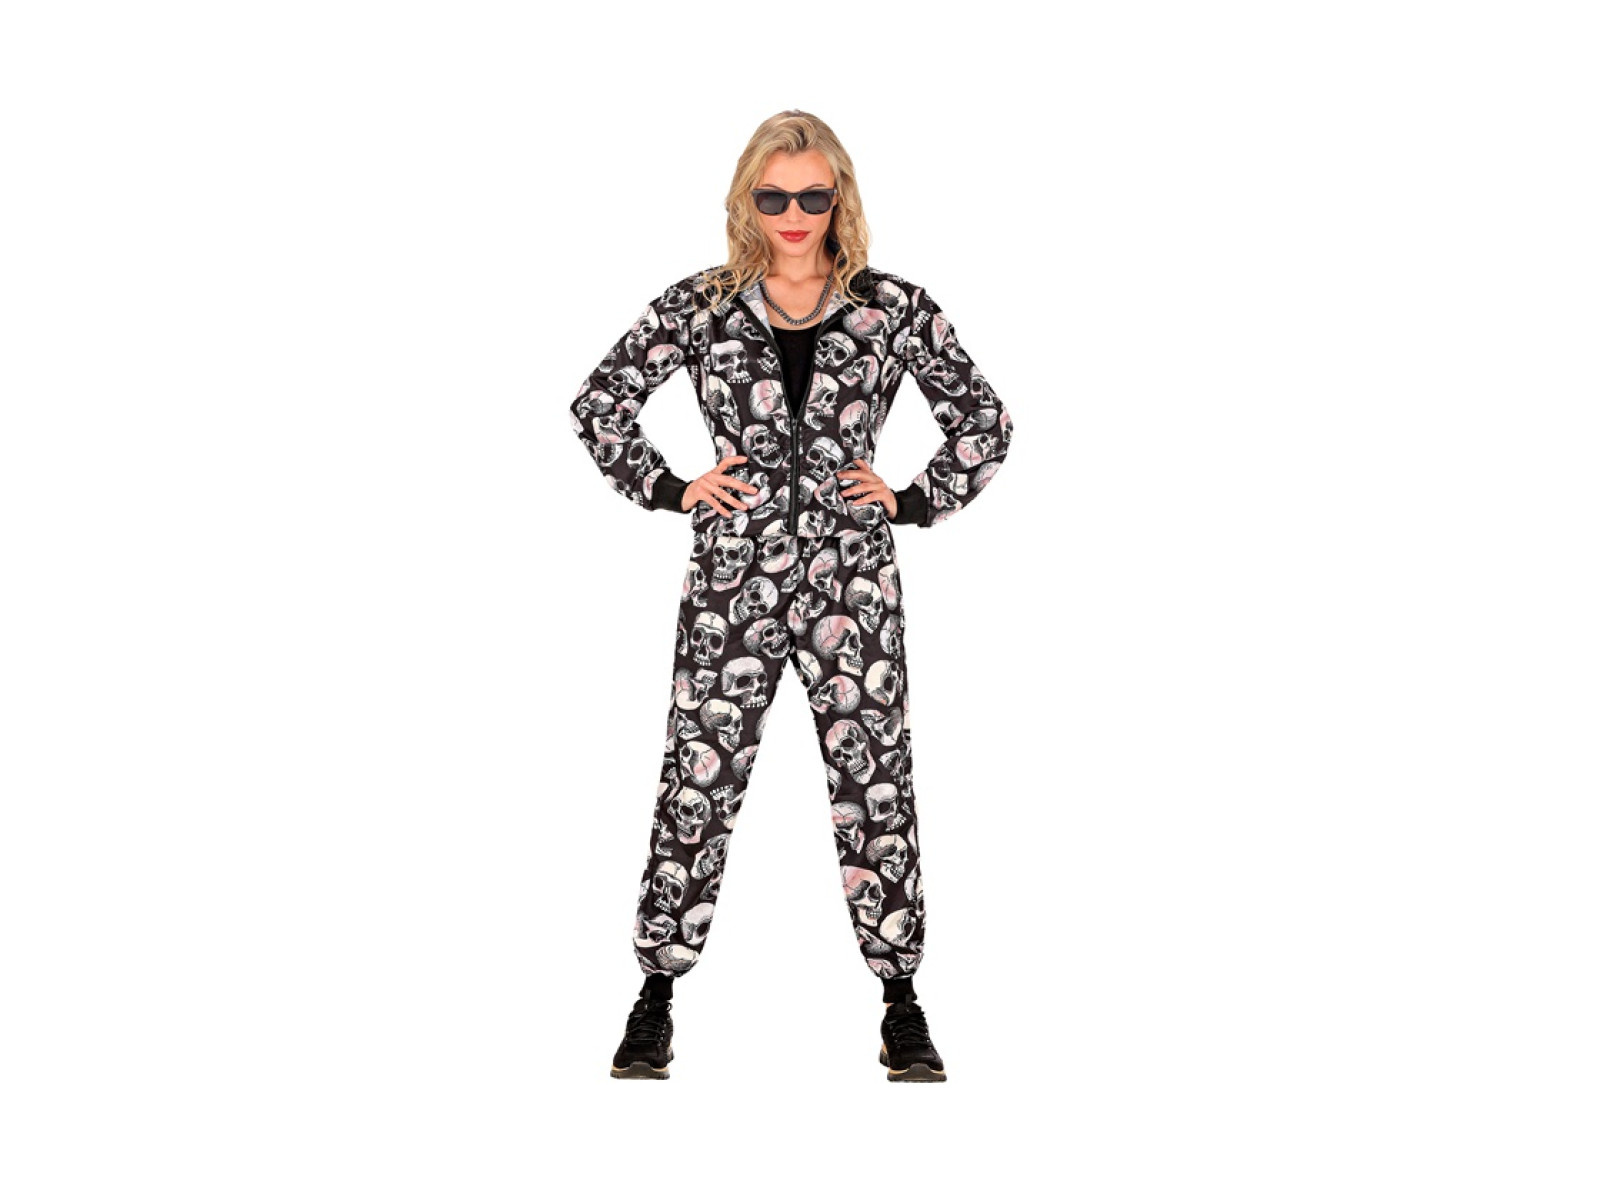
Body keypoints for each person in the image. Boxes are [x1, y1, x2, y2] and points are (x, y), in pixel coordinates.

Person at [569, 110, 1014, 1082]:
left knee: (876, 780)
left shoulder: (894, 308)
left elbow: (984, 421)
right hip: (731, 583)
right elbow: (599, 405)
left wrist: (910, 500)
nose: (794, 214)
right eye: (773, 196)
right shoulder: (700, 306)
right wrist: (671, 487)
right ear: (748, 201)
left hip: (853, 586)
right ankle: (656, 992)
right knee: (697, 781)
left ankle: (901, 998)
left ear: (838, 196)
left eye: (813, 194)